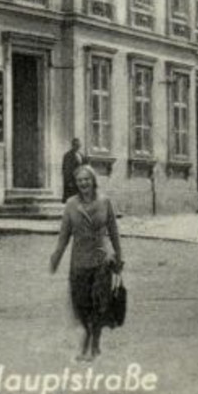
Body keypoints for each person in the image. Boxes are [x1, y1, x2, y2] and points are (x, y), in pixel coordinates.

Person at [49, 165, 123, 362]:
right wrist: (56, 256)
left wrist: (119, 256)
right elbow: (64, 235)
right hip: (79, 261)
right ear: (77, 183)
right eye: (80, 180)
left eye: (87, 179)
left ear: (93, 181)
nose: (83, 183)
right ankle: (89, 336)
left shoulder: (105, 202)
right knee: (81, 304)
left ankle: (93, 343)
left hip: (101, 259)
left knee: (99, 304)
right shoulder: (71, 205)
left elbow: (114, 233)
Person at [61, 138, 86, 203]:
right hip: (72, 182)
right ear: (73, 145)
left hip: (80, 181)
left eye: (79, 145)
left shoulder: (81, 155)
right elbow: (66, 170)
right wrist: (69, 182)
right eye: (76, 145)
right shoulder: (68, 155)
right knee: (72, 200)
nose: (78, 147)